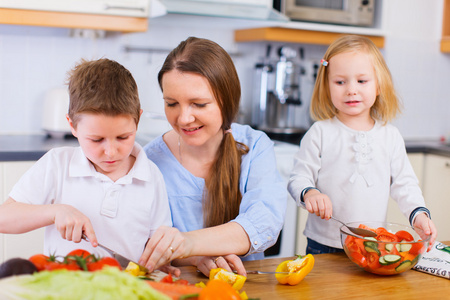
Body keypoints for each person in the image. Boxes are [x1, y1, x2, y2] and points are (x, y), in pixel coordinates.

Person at [0, 58, 172, 264]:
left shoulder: (151, 175)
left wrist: (163, 263)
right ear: (72, 126)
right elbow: (4, 217)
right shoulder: (57, 164)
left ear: (138, 119)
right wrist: (55, 212)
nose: (110, 152)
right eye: (96, 139)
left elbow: (159, 244)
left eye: (123, 137)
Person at [141, 37, 287, 276]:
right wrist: (197, 257)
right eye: (172, 103)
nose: (184, 118)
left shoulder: (255, 146)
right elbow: (148, 245)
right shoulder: (150, 162)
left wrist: (187, 243)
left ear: (226, 101)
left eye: (198, 104)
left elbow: (265, 223)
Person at [288, 35, 437, 255]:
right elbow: (297, 178)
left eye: (362, 81)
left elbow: (405, 185)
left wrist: (419, 215)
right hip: (324, 244)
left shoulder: (390, 136)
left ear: (379, 85)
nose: (351, 90)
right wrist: (310, 193)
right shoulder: (320, 132)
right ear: (326, 87)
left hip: (371, 243)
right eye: (340, 82)